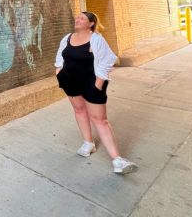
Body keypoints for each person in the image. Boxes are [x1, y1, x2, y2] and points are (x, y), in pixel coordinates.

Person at [54, 11, 137, 174]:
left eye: (82, 18)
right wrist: (59, 73)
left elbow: (109, 59)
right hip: (69, 81)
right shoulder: (67, 38)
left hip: (91, 83)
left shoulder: (96, 39)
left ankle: (117, 160)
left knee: (100, 120)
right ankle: (88, 143)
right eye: (77, 17)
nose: (77, 19)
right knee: (79, 111)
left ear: (91, 23)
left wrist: (98, 84)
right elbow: (60, 57)